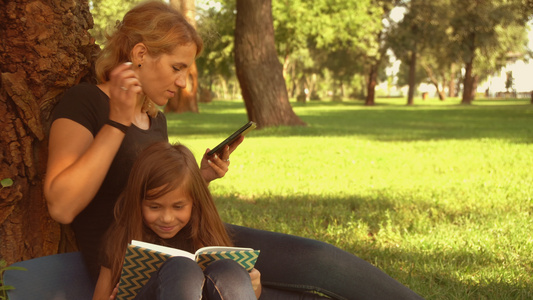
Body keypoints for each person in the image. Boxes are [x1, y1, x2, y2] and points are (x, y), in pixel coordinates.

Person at [44, 1, 423, 299]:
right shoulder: (86, 103)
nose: (181, 82)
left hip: (186, 242)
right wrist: (116, 122)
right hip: (139, 268)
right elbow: (62, 205)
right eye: (177, 67)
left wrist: (200, 177)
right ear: (141, 54)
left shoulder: (153, 118)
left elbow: (153, 191)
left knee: (317, 260)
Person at [92, 142, 260, 299]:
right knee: (182, 269)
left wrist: (254, 285)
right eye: (155, 207)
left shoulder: (204, 233)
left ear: (194, 202)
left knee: (230, 270)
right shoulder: (122, 237)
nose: (167, 218)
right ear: (138, 202)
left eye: (178, 207)